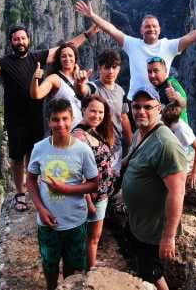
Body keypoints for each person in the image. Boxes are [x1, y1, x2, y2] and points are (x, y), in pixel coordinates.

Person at [0, 24, 98, 212]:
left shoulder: (37, 57)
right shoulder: (4, 63)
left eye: (23, 38)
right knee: (16, 157)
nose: (20, 42)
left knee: (33, 154)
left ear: (28, 40)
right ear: (11, 42)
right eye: (16, 39)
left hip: (37, 116)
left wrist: (88, 34)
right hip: (15, 118)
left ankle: (32, 189)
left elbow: (66, 49)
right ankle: (20, 193)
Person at [74, 0, 196, 100]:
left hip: (159, 102)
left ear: (159, 29)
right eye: (147, 26)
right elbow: (111, 29)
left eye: (154, 26)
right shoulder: (132, 44)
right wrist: (92, 16)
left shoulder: (169, 46)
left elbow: (192, 36)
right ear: (141, 30)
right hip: (134, 101)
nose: (151, 29)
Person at [27, 98, 99, 290]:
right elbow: (31, 180)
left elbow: (94, 183)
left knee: (73, 267)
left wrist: (66, 189)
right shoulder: (39, 148)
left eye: (65, 119)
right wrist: (41, 209)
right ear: (49, 121)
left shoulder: (83, 150)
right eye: (55, 119)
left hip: (75, 221)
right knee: (50, 264)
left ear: (72, 118)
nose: (61, 124)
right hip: (48, 222)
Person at [121, 87, 187, 290]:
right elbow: (132, 157)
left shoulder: (165, 144)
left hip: (154, 232)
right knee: (144, 268)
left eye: (147, 107)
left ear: (159, 108)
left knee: (153, 274)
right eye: (136, 106)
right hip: (139, 223)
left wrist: (168, 238)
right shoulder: (139, 133)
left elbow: (177, 192)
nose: (141, 111)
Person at [71, 94, 116, 269]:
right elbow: (77, 173)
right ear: (84, 110)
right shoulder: (79, 136)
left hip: (101, 195)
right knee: (86, 238)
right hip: (88, 198)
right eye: (92, 111)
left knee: (93, 239)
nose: (97, 116)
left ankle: (90, 269)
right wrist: (88, 202)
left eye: (100, 112)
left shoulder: (98, 131)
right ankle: (81, 272)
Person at [79, 49, 133, 174]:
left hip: (116, 146)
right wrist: (80, 84)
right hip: (95, 145)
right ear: (100, 68)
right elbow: (83, 90)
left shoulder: (121, 91)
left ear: (119, 68)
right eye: (107, 67)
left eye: (114, 67)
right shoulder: (94, 87)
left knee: (112, 181)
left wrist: (131, 145)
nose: (111, 71)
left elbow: (123, 117)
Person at [30, 42, 91, 128]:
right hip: (63, 129)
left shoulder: (81, 77)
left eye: (70, 55)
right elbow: (36, 94)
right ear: (59, 59)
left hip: (81, 130)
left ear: (75, 58)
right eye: (63, 56)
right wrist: (35, 78)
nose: (67, 58)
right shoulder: (54, 78)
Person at [160, 104, 196, 189]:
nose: (161, 119)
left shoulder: (182, 130)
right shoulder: (166, 121)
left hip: (183, 154)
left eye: (163, 118)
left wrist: (194, 172)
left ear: (168, 121)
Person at [146, 56, 189, 124]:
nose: (152, 75)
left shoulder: (171, 83)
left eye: (156, 71)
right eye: (149, 72)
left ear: (165, 71)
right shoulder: (157, 88)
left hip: (177, 132)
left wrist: (176, 98)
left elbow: (183, 103)